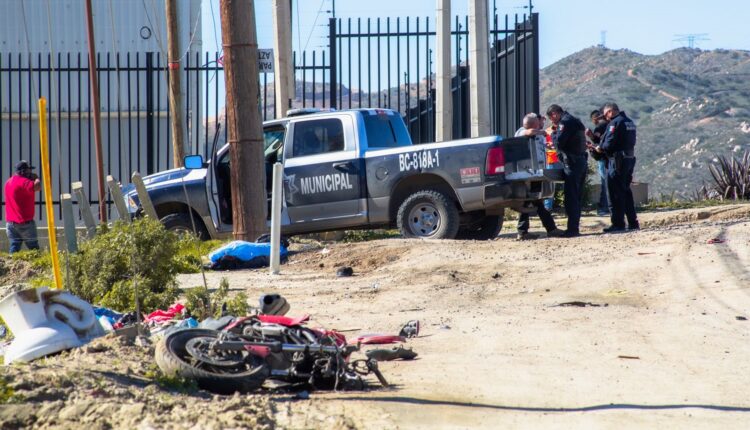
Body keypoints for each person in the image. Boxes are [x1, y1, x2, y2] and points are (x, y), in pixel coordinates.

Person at [513, 113, 565, 240]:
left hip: (537, 173)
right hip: (527, 174)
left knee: (534, 201)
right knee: (532, 202)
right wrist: (543, 132)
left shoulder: (538, 134)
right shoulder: (522, 131)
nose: (541, 123)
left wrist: (548, 145)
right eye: (538, 121)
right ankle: (546, 229)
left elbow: (539, 145)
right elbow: (528, 132)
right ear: (533, 123)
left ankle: (525, 231)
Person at [546, 104, 588, 237]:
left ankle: (572, 229)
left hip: (572, 163)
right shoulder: (575, 120)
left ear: (555, 114)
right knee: (576, 196)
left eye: (551, 119)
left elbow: (559, 143)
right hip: (580, 162)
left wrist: (552, 133)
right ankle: (573, 227)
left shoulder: (565, 122)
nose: (552, 122)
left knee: (571, 197)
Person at [598, 102, 639, 232]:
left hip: (617, 161)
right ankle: (633, 222)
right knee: (626, 191)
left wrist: (600, 148)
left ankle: (618, 223)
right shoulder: (629, 122)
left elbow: (609, 144)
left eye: (605, 115)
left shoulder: (615, 123)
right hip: (629, 159)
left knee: (615, 193)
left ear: (610, 111)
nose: (605, 118)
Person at [4, 160, 41, 253]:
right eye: (29, 170)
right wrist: (37, 178)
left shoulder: (8, 182)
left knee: (14, 247)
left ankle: (12, 266)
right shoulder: (23, 181)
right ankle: (37, 267)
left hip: (10, 223)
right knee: (34, 249)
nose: (31, 173)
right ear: (24, 171)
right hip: (24, 222)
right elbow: (37, 187)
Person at [585, 109, 610, 216]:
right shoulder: (610, 125)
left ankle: (604, 207)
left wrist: (591, 143)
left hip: (603, 158)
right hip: (611, 158)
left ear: (595, 119)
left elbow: (598, 143)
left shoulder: (600, 127)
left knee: (605, 184)